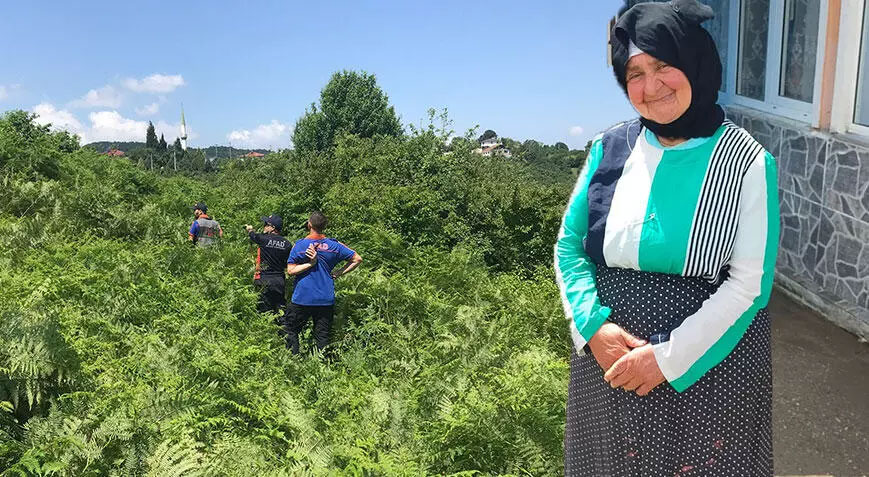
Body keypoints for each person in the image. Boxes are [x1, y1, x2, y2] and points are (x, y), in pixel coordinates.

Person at [555, 1, 779, 475]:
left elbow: (749, 285)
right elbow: (570, 246)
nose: (650, 86)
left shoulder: (747, 161)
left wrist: (666, 359)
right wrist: (592, 328)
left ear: (695, 60)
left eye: (663, 65)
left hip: (707, 370)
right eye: (634, 72)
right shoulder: (609, 147)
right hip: (608, 364)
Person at [285, 211, 362, 355]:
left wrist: (310, 264)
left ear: (309, 225)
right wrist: (339, 272)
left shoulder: (300, 245)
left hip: (303, 297)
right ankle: (324, 366)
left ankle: (293, 360)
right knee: (322, 336)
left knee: (290, 328)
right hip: (325, 298)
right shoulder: (334, 245)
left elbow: (291, 270)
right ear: (324, 226)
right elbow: (357, 259)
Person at [245, 214, 294, 322]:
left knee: (263, 313)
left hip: (263, 280)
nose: (264, 226)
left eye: (266, 224)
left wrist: (250, 229)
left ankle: (265, 335)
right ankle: (283, 335)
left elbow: (253, 236)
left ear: (272, 228)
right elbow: (288, 264)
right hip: (279, 281)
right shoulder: (287, 244)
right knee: (280, 311)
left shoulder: (263, 239)